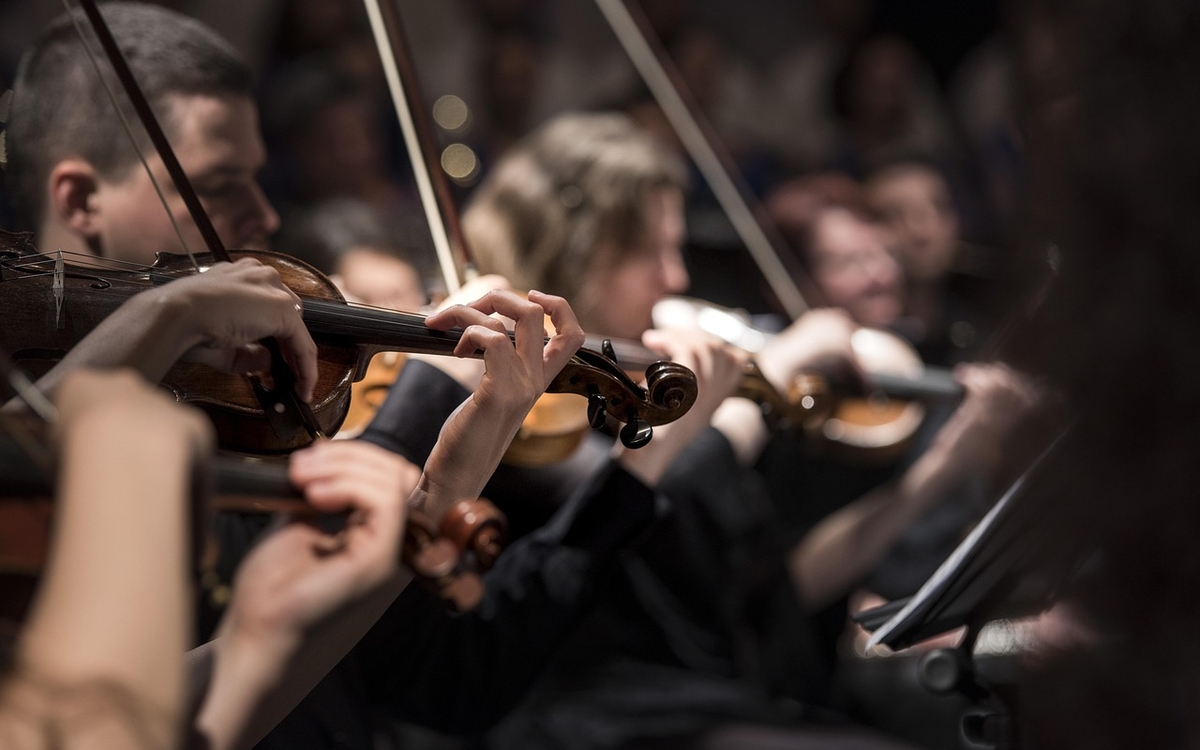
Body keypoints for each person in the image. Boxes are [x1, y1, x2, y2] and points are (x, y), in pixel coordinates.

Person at [3, 6, 730, 749]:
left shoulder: (236, 398)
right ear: (81, 200)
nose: (263, 214)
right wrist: (167, 317)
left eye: (256, 178)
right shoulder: (93, 435)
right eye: (219, 184)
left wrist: (441, 486)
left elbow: (333, 668)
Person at [453, 110, 1049, 750]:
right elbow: (645, 509)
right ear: (571, 250)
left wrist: (945, 461)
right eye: (649, 252)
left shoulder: (628, 384)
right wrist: (774, 368)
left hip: (710, 694)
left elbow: (769, 589)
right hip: (587, 713)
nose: (676, 278)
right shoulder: (515, 404)